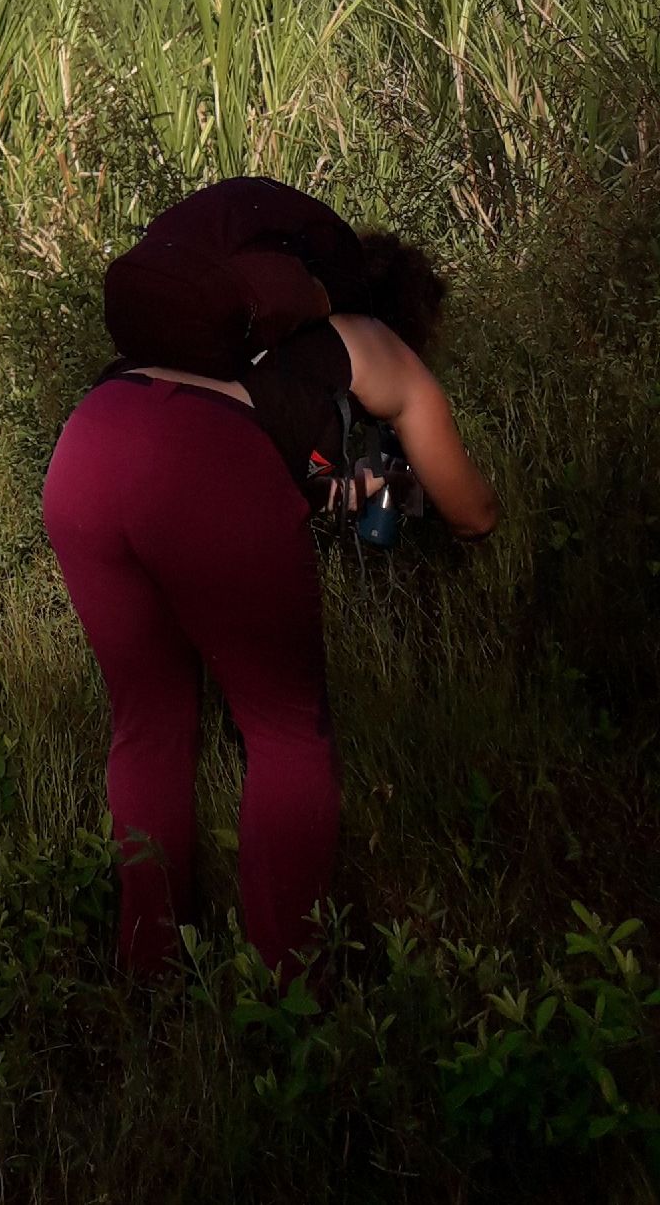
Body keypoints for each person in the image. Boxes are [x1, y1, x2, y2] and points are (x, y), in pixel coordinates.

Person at [42, 177, 498, 978]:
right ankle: (290, 989)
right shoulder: (368, 340)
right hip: (202, 468)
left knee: (148, 723)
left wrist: (355, 487)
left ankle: (149, 969)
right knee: (287, 732)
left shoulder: (223, 336)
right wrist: (450, 507)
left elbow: (275, 450)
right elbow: (473, 514)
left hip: (88, 450)